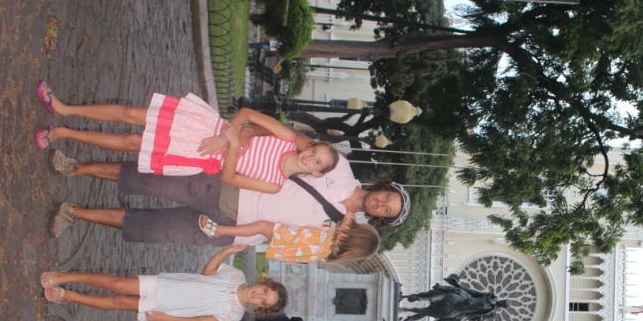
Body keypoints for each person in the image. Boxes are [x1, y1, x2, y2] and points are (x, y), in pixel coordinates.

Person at [46, 117, 411, 246]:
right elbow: (290, 138)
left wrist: (232, 242)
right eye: (387, 198)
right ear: (383, 187)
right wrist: (244, 132)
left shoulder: (342, 234)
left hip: (231, 229)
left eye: (386, 211)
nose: (381, 204)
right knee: (149, 179)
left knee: (151, 228)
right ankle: (77, 168)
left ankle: (76, 212)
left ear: (379, 219)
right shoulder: (340, 167)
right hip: (229, 186)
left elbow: (282, 239)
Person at [33, 83, 338, 192]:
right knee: (132, 114)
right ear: (310, 146)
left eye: (317, 162)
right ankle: (65, 108)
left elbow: (229, 178)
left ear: (316, 173)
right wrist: (226, 137)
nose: (310, 157)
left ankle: (63, 133)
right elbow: (247, 113)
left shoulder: (274, 185)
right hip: (209, 130)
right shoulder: (286, 137)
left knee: (131, 142)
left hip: (200, 155)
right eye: (315, 151)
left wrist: (232, 145)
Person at [38, 245, 288, 321]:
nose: (259, 296)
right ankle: (67, 277)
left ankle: (69, 296)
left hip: (166, 307)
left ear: (260, 308)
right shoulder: (236, 274)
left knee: (118, 302)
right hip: (166, 284)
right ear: (263, 283)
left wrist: (166, 318)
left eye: (263, 302)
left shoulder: (233, 314)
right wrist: (224, 252)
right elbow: (208, 272)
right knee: (118, 283)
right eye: (264, 291)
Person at [198, 212, 380, 264]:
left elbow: (349, 213)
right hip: (296, 248)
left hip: (297, 237)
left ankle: (220, 230)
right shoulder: (335, 252)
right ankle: (225, 232)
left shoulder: (344, 230)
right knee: (261, 229)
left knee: (262, 226)